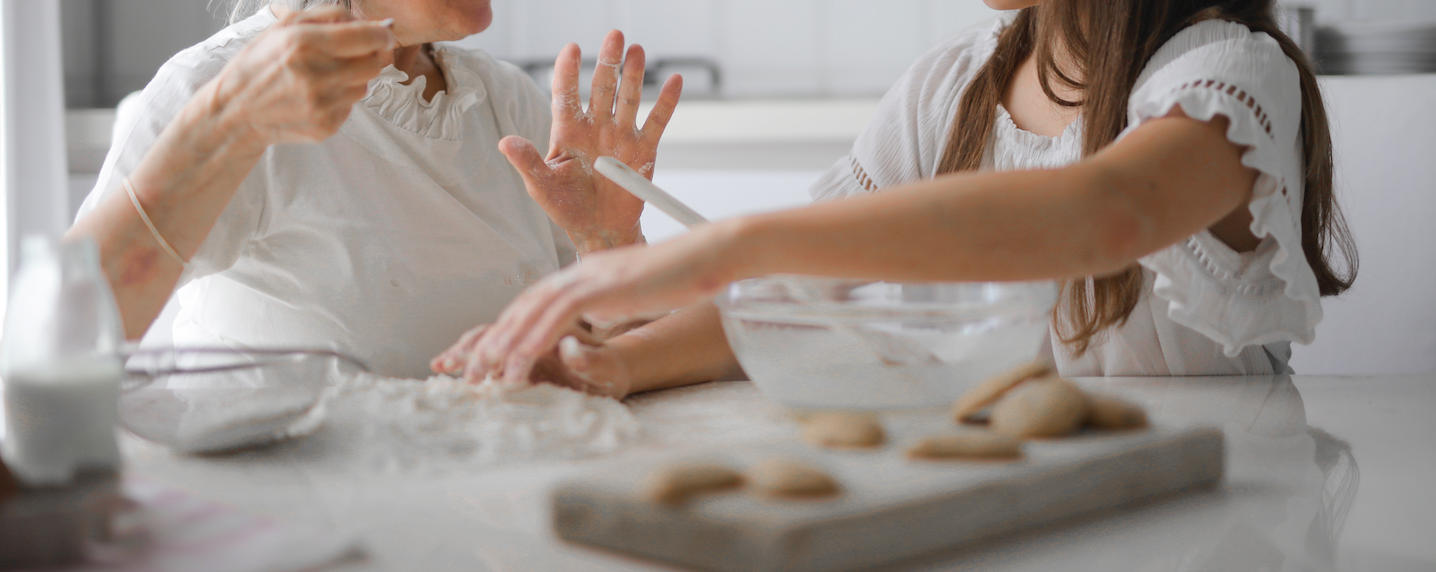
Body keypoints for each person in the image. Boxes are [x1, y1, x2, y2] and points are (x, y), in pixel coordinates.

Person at [436, 0, 1358, 393]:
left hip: (1216, 516)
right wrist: (617, 361)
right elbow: (794, 301)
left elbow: (1101, 215)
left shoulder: (1231, 74)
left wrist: (742, 241)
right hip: (1023, 506)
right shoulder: (945, 88)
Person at [66, 0, 681, 378]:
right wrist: (223, 126)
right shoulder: (211, 86)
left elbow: (616, 353)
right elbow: (65, 337)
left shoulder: (508, 99)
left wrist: (609, 242)